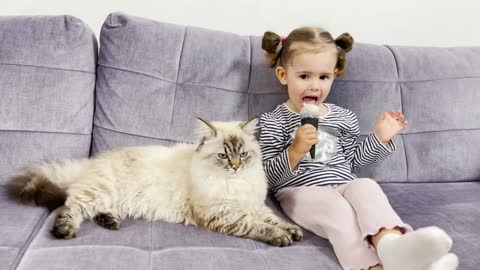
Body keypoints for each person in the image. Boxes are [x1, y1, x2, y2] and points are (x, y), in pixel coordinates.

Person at [259, 27, 458, 270]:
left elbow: (353, 160)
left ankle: (391, 246)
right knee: (338, 212)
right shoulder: (273, 121)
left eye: (323, 77)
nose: (314, 86)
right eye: (304, 76)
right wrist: (295, 150)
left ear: (334, 74)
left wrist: (380, 137)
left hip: (344, 182)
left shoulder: (344, 117)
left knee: (366, 186)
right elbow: (267, 177)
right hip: (301, 191)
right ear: (283, 75)